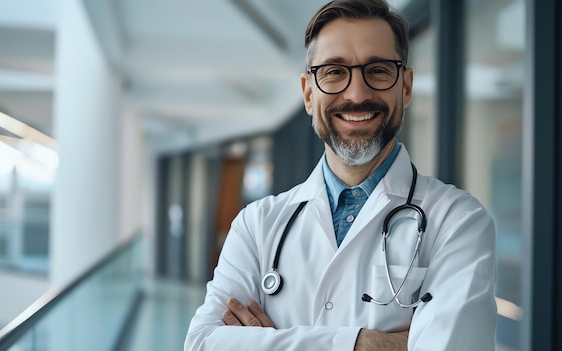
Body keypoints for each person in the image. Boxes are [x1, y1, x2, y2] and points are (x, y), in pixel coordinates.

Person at [185, 0, 496, 350]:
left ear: (405, 87)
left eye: (378, 70)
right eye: (334, 71)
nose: (357, 94)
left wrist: (266, 342)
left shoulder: (458, 220)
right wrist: (369, 343)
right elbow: (202, 343)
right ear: (307, 93)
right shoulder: (257, 226)